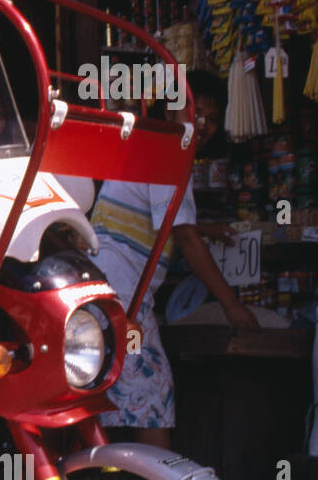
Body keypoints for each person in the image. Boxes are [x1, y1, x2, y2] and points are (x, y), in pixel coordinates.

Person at [91, 73, 258, 449]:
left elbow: (172, 223)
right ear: (172, 109)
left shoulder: (156, 147)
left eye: (213, 118)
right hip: (123, 301)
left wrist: (207, 228)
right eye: (197, 113)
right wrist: (233, 307)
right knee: (152, 390)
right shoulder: (168, 154)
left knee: (117, 395)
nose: (205, 125)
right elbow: (184, 237)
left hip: (108, 293)